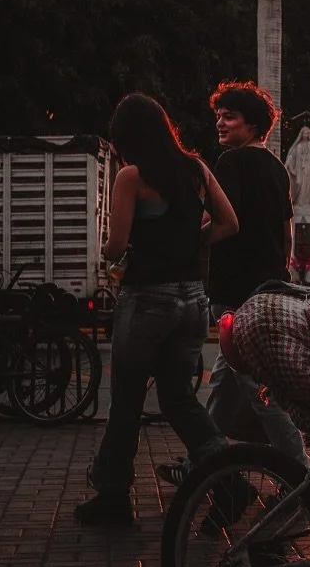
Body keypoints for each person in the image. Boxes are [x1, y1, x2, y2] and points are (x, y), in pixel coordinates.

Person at [76, 93, 239, 526]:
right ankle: (228, 478)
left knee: (127, 400)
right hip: (192, 300)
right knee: (179, 399)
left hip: (148, 298)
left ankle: (113, 496)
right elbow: (228, 223)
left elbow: (114, 245)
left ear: (127, 137)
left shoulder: (131, 176)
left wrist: (115, 252)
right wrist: (190, 242)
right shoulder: (196, 169)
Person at [157, 80, 305, 487]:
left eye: (230, 116)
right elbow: (286, 232)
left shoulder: (231, 164)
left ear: (253, 124)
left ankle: (300, 473)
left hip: (238, 294)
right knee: (224, 383)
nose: (220, 123)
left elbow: (221, 222)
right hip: (269, 287)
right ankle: (198, 465)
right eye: (219, 115)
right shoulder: (277, 168)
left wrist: (186, 244)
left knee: (257, 389)